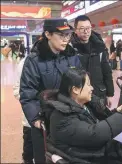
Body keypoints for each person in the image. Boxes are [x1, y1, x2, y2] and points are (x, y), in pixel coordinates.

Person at [19, 18, 82, 163]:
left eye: (68, 35)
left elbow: (80, 82)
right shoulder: (34, 61)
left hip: (70, 118)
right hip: (45, 121)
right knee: (44, 158)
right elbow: (28, 92)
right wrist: (35, 119)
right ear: (47, 34)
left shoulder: (72, 56)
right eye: (61, 35)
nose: (66, 39)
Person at [46, 68, 122, 163]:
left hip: (91, 152)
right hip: (83, 158)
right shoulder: (62, 116)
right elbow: (94, 134)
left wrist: (117, 112)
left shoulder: (84, 105)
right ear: (75, 89)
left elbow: (96, 126)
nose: (92, 88)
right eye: (88, 84)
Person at [71, 15, 114, 108]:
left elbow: (106, 71)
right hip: (79, 97)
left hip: (99, 93)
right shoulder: (70, 49)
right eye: (82, 29)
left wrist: (110, 94)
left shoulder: (99, 47)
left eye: (88, 28)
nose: (86, 31)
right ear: (76, 30)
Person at [13, 57, 34, 164]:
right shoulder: (26, 61)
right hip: (30, 118)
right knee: (29, 148)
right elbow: (17, 89)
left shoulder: (62, 58)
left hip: (52, 116)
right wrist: (30, 104)